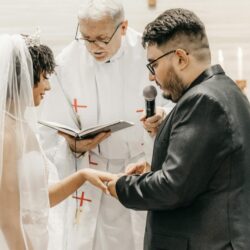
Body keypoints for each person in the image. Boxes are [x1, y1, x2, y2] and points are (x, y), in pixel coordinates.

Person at [107, 8, 250, 250]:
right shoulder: (226, 91)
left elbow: (172, 188)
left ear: (181, 58)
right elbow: (204, 172)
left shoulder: (203, 101)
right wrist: (154, 169)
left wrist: (121, 186)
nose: (152, 77)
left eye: (153, 65)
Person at [38, 0, 171, 249]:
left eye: (101, 38)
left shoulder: (151, 53)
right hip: (91, 174)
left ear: (123, 27)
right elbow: (48, 131)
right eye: (86, 37)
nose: (93, 47)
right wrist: (73, 147)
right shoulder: (67, 62)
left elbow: (179, 105)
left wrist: (162, 116)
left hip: (139, 167)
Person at [0, 34, 114, 250]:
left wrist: (83, 176)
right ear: (24, 78)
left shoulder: (22, 127)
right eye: (44, 77)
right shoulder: (5, 134)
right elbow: (6, 218)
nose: (49, 87)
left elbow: (39, 202)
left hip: (36, 239)